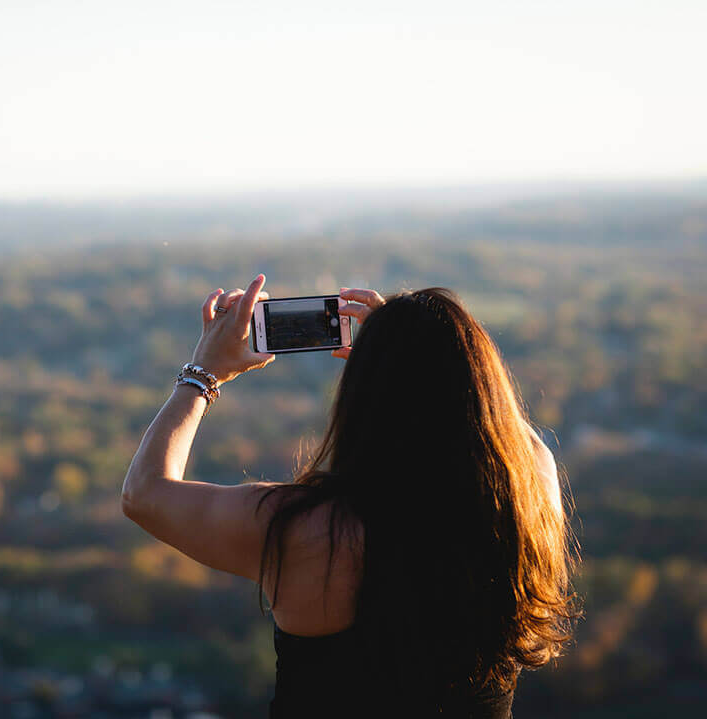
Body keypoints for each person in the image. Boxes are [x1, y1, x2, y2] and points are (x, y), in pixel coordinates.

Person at [122, 274, 578, 717]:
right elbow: (503, 434)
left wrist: (204, 371)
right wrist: (426, 358)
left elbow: (144, 493)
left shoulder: (304, 531)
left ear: (359, 398)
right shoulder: (527, 499)